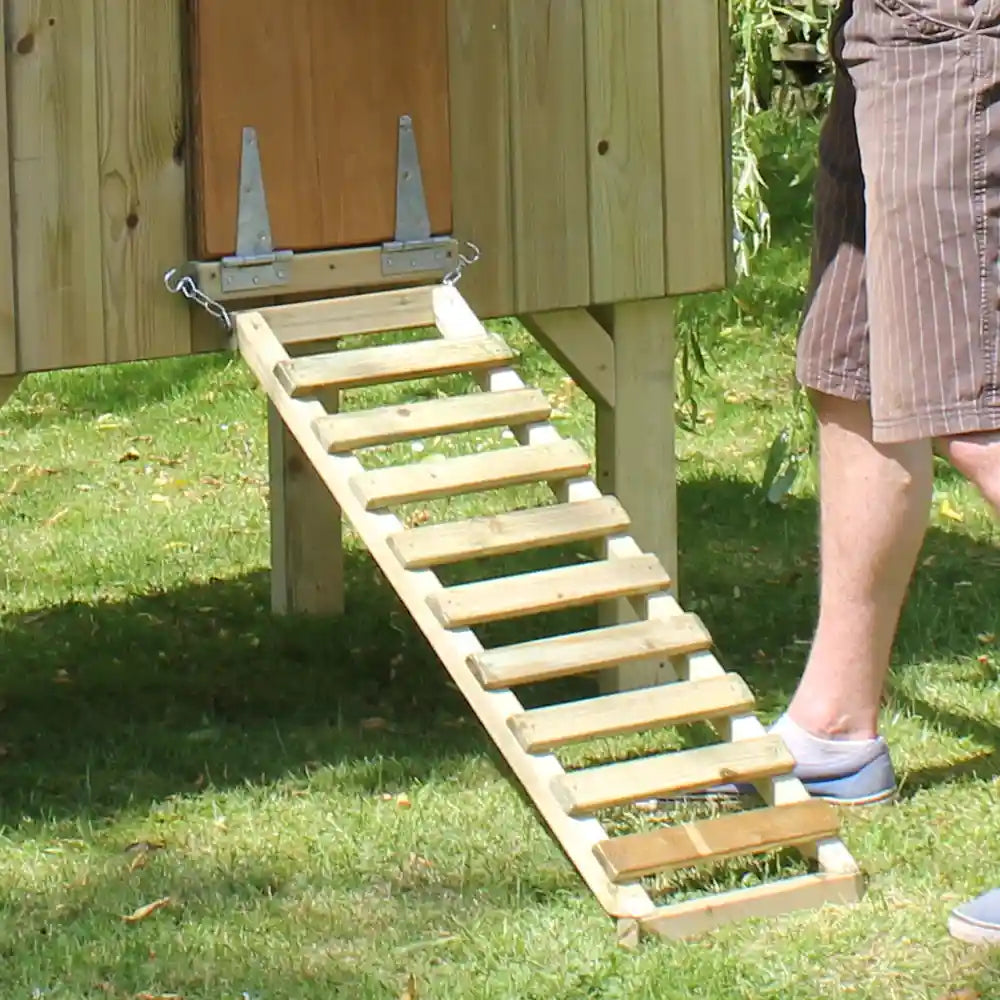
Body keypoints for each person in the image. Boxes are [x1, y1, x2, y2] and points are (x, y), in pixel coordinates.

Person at [776, 0, 1000, 944]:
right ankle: (833, 728)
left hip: (957, 21)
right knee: (853, 370)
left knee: (982, 410)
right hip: (890, 20)